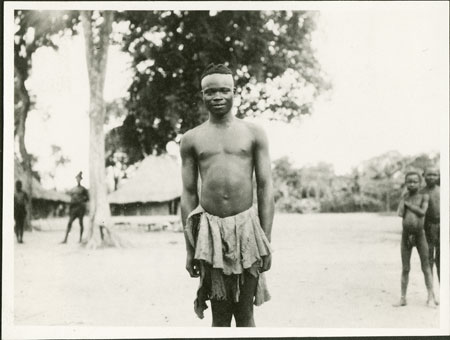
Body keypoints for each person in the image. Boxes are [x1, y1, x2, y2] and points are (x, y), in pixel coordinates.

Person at [180, 63, 274, 327]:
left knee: (245, 315)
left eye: (224, 90)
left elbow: (266, 189)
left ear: (235, 92)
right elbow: (188, 195)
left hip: (247, 231)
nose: (217, 97)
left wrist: (266, 242)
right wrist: (190, 249)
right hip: (209, 234)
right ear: (202, 95)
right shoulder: (191, 139)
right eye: (210, 92)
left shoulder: (254, 133)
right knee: (219, 318)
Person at [394, 171, 438, 307]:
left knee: (426, 266)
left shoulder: (424, 196)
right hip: (406, 235)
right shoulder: (405, 197)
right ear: (406, 184)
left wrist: (409, 205)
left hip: (420, 235)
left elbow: (422, 212)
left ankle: (430, 297)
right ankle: (403, 297)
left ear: (420, 183)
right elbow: (400, 213)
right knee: (406, 268)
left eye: (415, 181)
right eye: (409, 182)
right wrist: (403, 199)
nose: (412, 184)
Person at [421, 167, 440, 282]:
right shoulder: (420, 193)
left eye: (435, 175)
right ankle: (431, 292)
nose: (432, 177)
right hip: (427, 228)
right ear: (424, 176)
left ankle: (444, 293)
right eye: (429, 175)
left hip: (442, 228)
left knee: (442, 260)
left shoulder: (444, 191)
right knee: (428, 260)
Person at [62, 171, 89, 244]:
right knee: (69, 223)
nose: (78, 180)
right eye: (77, 178)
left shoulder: (83, 189)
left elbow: (87, 198)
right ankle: (65, 239)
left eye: (79, 178)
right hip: (74, 208)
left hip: (80, 208)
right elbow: (71, 199)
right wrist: (70, 209)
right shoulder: (73, 189)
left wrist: (81, 200)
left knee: (81, 223)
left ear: (81, 179)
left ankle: (80, 239)